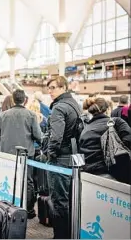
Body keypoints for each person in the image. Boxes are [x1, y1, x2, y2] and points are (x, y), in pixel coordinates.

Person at [0, 89, 42, 219]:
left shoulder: (3, 115)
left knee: (8, 180)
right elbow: (38, 136)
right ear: (25, 100)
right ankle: (28, 210)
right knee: (28, 182)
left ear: (13, 99)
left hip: (7, 155)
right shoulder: (31, 115)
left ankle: (8, 208)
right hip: (25, 155)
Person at [46, 76, 81, 239]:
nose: (50, 91)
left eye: (53, 87)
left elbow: (56, 137)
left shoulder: (59, 107)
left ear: (63, 87)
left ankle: (60, 236)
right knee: (71, 200)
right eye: (49, 88)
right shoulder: (74, 104)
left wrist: (50, 154)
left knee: (59, 202)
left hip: (60, 160)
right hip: (74, 158)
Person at [79, 97, 131, 184]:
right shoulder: (116, 122)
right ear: (108, 109)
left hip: (89, 175)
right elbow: (128, 140)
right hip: (113, 174)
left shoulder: (85, 129)